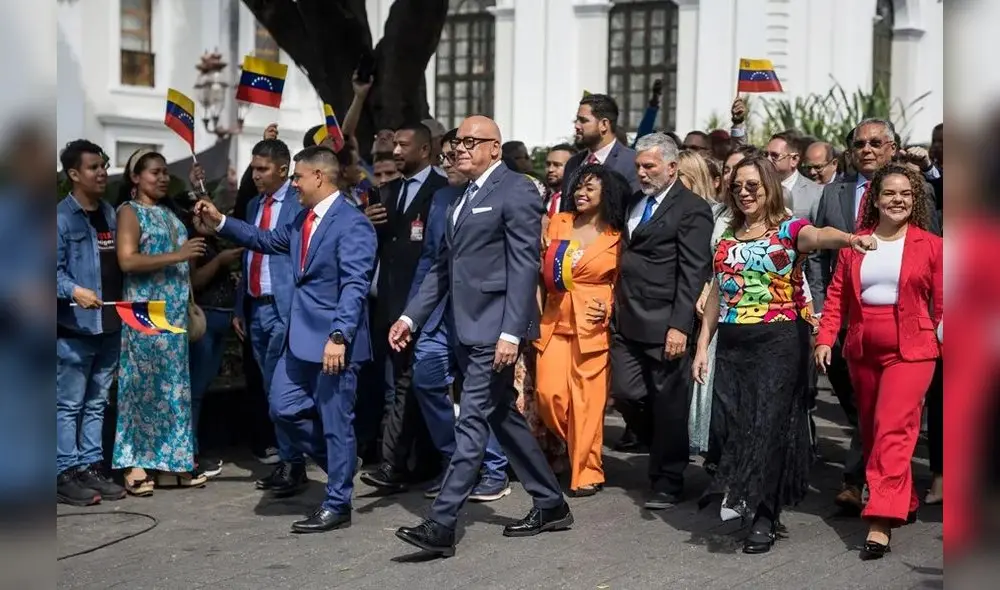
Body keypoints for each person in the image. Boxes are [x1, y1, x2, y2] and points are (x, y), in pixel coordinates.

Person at [389, 115, 571, 557]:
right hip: (464, 328)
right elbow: (442, 268)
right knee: (502, 417)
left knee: (471, 422)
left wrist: (511, 332)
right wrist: (410, 318)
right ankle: (551, 504)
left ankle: (441, 524)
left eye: (472, 142)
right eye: (458, 142)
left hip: (494, 330)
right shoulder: (460, 196)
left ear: (495, 148)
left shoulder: (516, 189)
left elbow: (523, 264)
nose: (461, 149)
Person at [693, 155, 876, 555]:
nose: (744, 193)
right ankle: (745, 493)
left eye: (752, 186)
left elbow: (819, 235)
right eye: (737, 187)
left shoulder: (789, 229)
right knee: (735, 427)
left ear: (769, 188)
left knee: (768, 427)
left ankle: (764, 516)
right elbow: (718, 293)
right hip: (734, 345)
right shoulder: (727, 236)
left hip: (779, 342)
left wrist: (850, 239)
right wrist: (702, 346)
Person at [194, 146, 377, 533]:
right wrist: (220, 221)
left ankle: (337, 503)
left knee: (336, 423)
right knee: (283, 408)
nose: (293, 183)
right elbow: (263, 239)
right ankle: (340, 463)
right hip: (300, 340)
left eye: (297, 176)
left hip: (333, 344)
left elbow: (355, 286)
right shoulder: (302, 220)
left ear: (319, 177)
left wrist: (339, 335)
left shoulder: (353, 223)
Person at [815, 163, 942, 560]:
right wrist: (825, 338)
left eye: (905, 193)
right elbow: (837, 296)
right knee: (873, 432)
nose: (897, 200)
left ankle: (880, 518)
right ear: (876, 199)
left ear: (915, 199)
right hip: (862, 348)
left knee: (893, 428)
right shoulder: (857, 244)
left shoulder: (932, 245)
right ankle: (904, 499)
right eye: (889, 193)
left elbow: (945, 304)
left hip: (913, 350)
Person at [406, 128, 513, 501]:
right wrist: (411, 314)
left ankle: (494, 470)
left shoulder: (501, 193)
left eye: (455, 156)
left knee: (480, 397)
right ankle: (457, 461)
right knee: (426, 379)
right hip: (438, 314)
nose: (449, 163)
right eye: (445, 157)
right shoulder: (440, 198)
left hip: (482, 314)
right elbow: (431, 260)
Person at [609, 132, 713, 510]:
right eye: (638, 166)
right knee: (626, 392)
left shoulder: (692, 209)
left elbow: (693, 271)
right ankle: (661, 450)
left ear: (672, 167)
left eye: (649, 166)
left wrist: (679, 326)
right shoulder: (635, 201)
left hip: (665, 322)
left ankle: (669, 479)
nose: (641, 173)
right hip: (627, 319)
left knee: (669, 404)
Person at [362, 122, 450, 492]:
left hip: (426, 308)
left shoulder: (443, 191)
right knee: (400, 386)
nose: (395, 152)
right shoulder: (387, 191)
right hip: (389, 308)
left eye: (403, 145)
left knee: (414, 385)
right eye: (394, 145)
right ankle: (414, 463)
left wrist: (418, 309)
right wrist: (368, 224)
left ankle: (396, 464)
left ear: (425, 150)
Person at [114, 149, 208, 494]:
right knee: (140, 388)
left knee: (172, 390)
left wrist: (195, 240)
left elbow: (186, 267)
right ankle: (134, 463)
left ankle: (171, 464)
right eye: (155, 172)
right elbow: (127, 260)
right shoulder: (129, 211)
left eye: (166, 172)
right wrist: (178, 254)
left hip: (174, 315)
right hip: (144, 313)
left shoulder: (170, 213)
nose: (164, 178)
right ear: (135, 177)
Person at [535, 163, 627, 496]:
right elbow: (539, 271)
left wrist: (611, 306)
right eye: (578, 187)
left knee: (588, 405)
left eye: (590, 188)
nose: (580, 193)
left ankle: (587, 471)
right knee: (549, 396)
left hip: (593, 326)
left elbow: (624, 282)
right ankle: (578, 447)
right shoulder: (558, 222)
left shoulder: (617, 236)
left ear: (607, 194)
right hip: (553, 321)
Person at [233, 139, 309, 496]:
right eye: (253, 168)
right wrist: (240, 306)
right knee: (268, 388)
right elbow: (247, 255)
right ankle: (290, 459)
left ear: (282, 169)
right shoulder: (253, 205)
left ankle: (295, 462)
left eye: (262, 169)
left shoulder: (298, 202)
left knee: (284, 389)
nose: (255, 175)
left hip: (285, 308)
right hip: (256, 307)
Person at [56, 139, 127, 505]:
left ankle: (90, 467)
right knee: (68, 404)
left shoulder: (110, 213)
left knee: (97, 402)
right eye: (93, 167)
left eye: (103, 166)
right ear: (73, 173)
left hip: (111, 325)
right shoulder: (59, 218)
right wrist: (74, 290)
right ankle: (64, 473)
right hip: (75, 328)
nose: (102, 173)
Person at [560, 93, 641, 211]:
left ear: (604, 124)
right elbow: (565, 210)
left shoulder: (632, 162)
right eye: (577, 120)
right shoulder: (573, 163)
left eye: (583, 120)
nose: (577, 126)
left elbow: (633, 211)